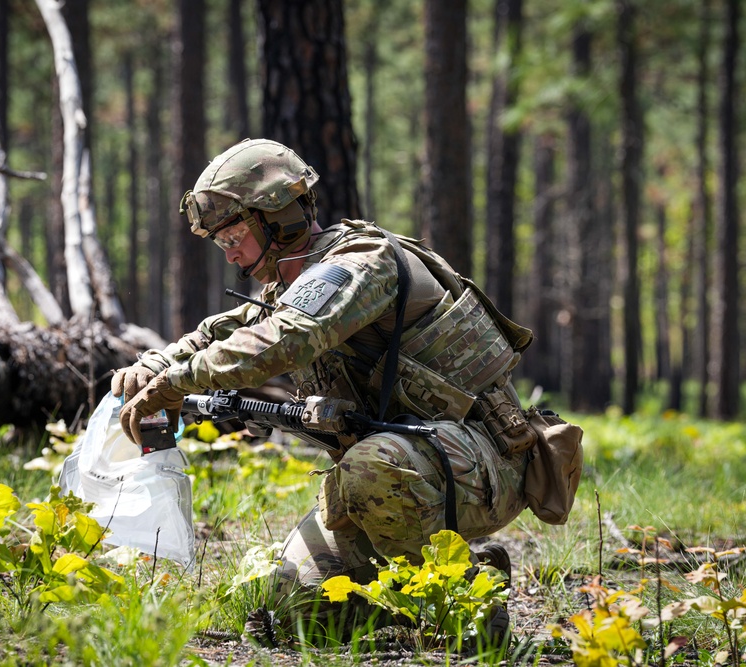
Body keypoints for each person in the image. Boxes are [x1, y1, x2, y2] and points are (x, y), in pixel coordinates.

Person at [112, 138, 537, 641]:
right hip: (406, 468)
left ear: (278, 216)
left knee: (369, 469)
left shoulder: (362, 261)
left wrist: (175, 382)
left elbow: (284, 340)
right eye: (222, 245)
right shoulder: (292, 286)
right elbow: (224, 331)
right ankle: (453, 575)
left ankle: (468, 605)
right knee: (302, 610)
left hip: (478, 463)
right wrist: (158, 362)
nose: (232, 256)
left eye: (235, 238)